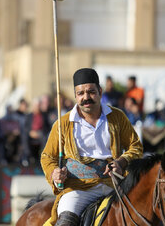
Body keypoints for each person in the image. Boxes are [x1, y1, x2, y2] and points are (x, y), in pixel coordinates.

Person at [41, 68, 143, 226]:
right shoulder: (62, 124)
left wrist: (121, 162)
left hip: (115, 185)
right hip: (77, 189)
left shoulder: (117, 117)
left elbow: (135, 146)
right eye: (80, 93)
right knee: (65, 223)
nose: (86, 97)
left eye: (91, 92)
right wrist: (54, 174)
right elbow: (47, 156)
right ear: (75, 96)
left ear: (100, 91)